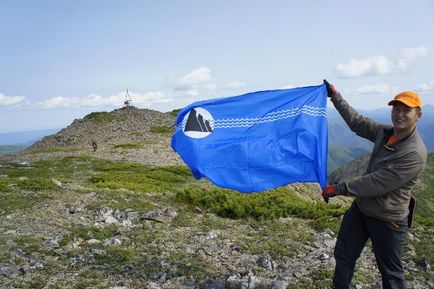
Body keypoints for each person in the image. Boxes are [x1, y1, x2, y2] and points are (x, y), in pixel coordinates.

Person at [321, 80, 427, 289]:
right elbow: (358, 122)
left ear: (418, 115)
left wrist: (339, 188)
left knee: (391, 273)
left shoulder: (414, 153)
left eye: (406, 110)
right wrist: (335, 96)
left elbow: (376, 183)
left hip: (388, 221)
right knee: (343, 255)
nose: (399, 114)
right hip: (361, 209)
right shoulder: (386, 133)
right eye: (396, 109)